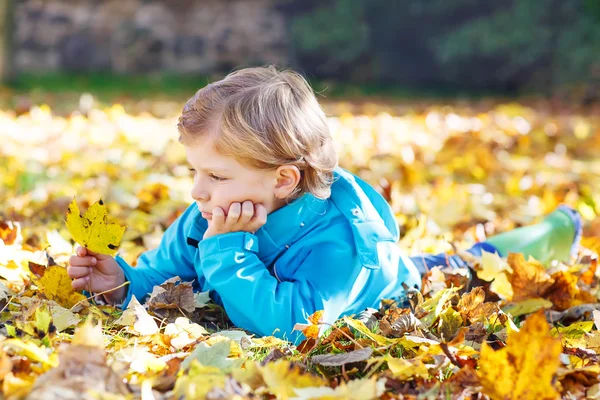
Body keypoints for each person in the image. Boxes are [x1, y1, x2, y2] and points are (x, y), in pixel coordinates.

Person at [68, 66, 583, 343]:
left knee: (470, 268)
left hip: (392, 285)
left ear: (285, 179)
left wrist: (228, 254)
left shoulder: (339, 241)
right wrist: (118, 282)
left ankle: (551, 231)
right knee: (460, 260)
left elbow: (294, 324)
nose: (198, 191)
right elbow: (164, 276)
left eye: (217, 175)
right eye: (195, 173)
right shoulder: (209, 213)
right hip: (352, 271)